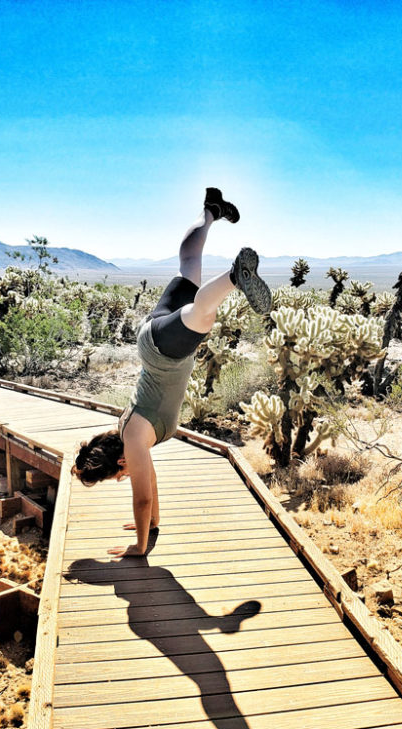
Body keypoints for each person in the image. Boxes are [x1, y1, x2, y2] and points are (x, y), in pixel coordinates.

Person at [71, 188, 271, 556]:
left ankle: (235, 277)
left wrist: (139, 547)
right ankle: (211, 210)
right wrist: (153, 527)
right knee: (189, 264)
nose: (125, 479)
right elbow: (151, 489)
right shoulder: (134, 443)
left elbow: (143, 499)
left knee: (201, 315)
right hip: (161, 341)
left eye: (118, 477)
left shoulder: (133, 440)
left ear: (118, 463)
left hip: (162, 351)